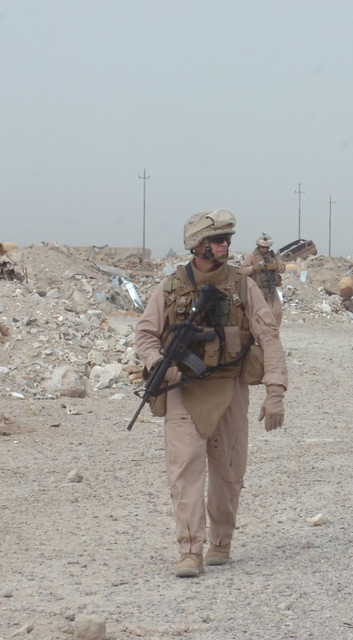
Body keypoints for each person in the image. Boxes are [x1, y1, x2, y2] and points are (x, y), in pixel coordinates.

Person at [134, 209, 288, 578]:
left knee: (229, 471)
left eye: (227, 240)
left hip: (230, 388)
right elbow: (144, 334)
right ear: (198, 246)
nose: (225, 246)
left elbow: (269, 337)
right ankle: (189, 550)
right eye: (218, 240)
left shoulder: (242, 286)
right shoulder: (170, 288)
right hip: (183, 390)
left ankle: (221, 542)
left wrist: (276, 391)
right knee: (184, 471)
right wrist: (158, 362)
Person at [240, 233, 286, 326]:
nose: (265, 249)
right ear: (259, 245)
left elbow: (283, 268)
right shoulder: (251, 256)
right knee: (259, 314)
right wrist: (253, 268)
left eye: (267, 247)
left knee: (277, 313)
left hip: (271, 289)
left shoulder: (273, 256)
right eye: (263, 247)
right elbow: (242, 271)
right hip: (257, 289)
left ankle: (273, 333)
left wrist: (276, 267)